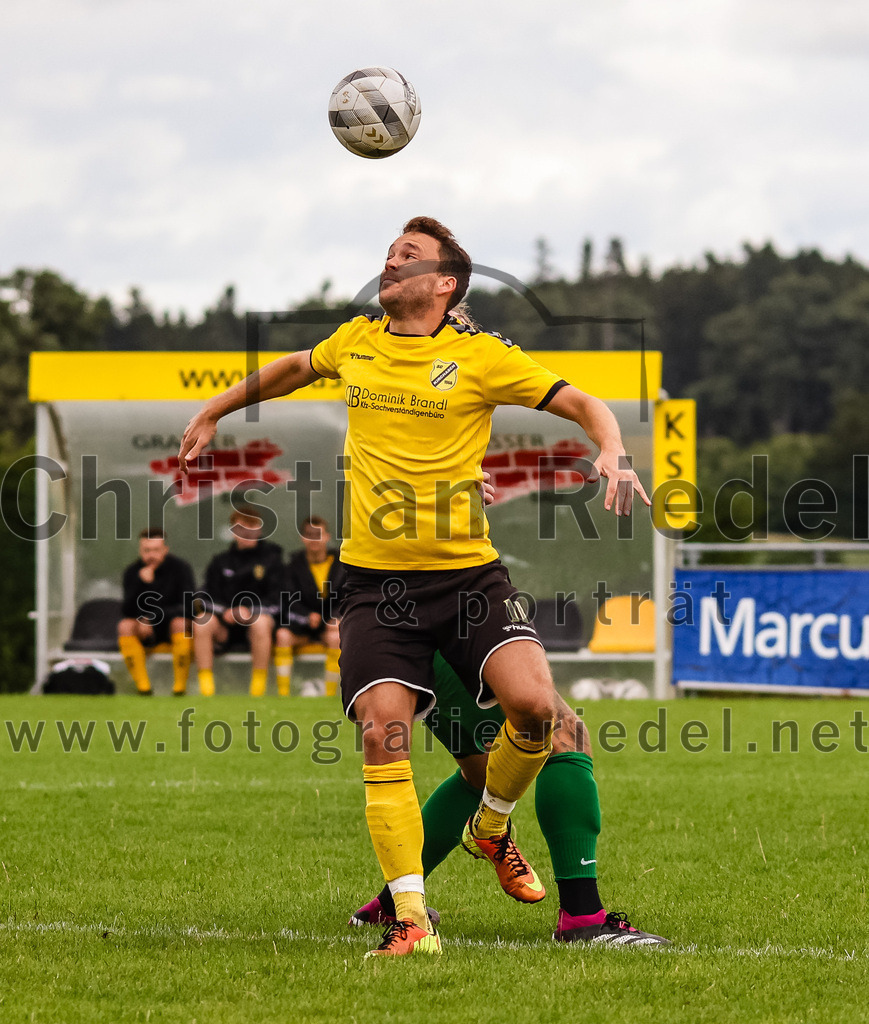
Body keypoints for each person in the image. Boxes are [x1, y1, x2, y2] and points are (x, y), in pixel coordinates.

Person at [179, 216, 649, 958]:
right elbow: (294, 368)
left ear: (444, 284)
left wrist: (613, 450)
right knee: (517, 737)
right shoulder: (357, 338)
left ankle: (460, 855)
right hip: (378, 590)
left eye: (408, 256)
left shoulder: (479, 358)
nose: (389, 264)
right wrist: (213, 409)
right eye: (389, 253)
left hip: (465, 581)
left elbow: (583, 404)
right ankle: (466, 910)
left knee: (528, 727)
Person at [350, 653, 669, 945]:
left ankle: (392, 903)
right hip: (451, 627)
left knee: (483, 775)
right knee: (565, 737)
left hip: (415, 634)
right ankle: (583, 917)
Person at [193, 506, 283, 697]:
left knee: (261, 622)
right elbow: (204, 597)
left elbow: (278, 601)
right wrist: (226, 611)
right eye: (242, 529)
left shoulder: (272, 559)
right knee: (202, 622)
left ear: (259, 530)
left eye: (253, 528)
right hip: (225, 627)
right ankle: (206, 690)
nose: (248, 534)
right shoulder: (220, 561)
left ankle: (257, 691)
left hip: (257, 626)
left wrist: (249, 611)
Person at [273, 515, 345, 697]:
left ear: (327, 537)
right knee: (282, 635)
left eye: (318, 534)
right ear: (303, 538)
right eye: (309, 535)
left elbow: (348, 597)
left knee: (337, 637)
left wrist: (337, 617)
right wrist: (306, 616)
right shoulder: (292, 566)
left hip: (329, 625)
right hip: (301, 626)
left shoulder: (341, 566)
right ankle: (283, 695)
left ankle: (329, 694)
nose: (314, 539)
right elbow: (287, 600)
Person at [118, 528, 195, 696]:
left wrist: (152, 618)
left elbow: (188, 607)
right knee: (125, 626)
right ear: (140, 551)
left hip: (172, 626)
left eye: (155, 550)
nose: (151, 555)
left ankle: (179, 688)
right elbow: (126, 610)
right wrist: (142, 583)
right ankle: (143, 687)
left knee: (180, 622)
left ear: (165, 550)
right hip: (144, 630)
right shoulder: (132, 572)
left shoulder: (181, 568)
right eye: (146, 550)